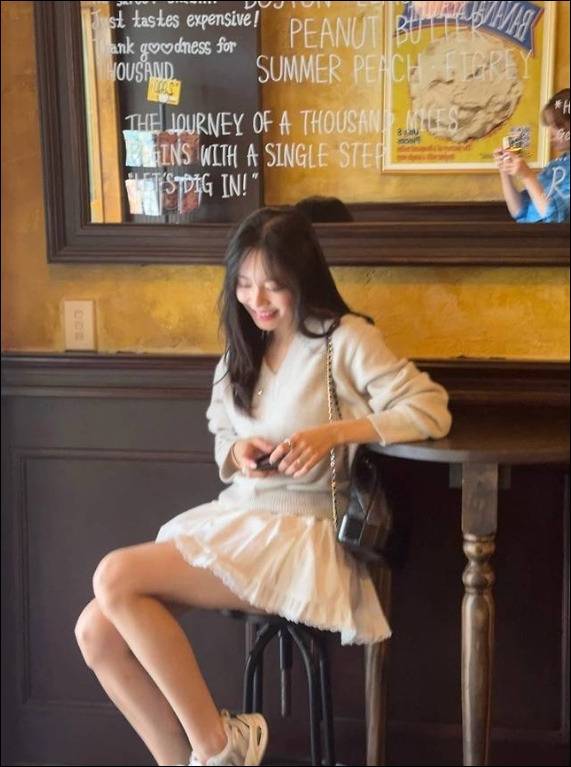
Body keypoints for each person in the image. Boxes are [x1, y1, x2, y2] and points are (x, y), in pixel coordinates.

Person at [74, 206, 452, 767]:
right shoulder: (241, 347)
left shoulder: (344, 339)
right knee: (95, 633)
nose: (258, 299)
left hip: (303, 535)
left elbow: (431, 408)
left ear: (303, 278)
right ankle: (192, 757)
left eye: (273, 285)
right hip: (241, 518)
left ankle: (220, 745)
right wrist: (238, 454)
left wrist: (334, 433)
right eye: (245, 284)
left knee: (114, 574)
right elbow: (221, 431)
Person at [494, 88, 570, 223]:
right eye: (549, 126)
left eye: (556, 125)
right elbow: (519, 211)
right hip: (529, 234)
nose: (550, 134)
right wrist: (504, 171)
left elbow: (554, 218)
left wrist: (527, 175)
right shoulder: (555, 166)